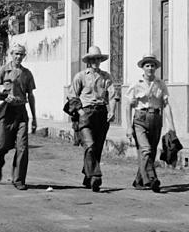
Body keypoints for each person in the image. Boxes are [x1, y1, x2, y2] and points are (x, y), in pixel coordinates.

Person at [67, 46, 117, 192]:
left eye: (98, 58)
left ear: (101, 60)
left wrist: (111, 111)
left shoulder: (106, 77)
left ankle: (87, 176)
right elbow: (72, 96)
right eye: (93, 59)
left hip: (101, 114)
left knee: (98, 147)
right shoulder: (80, 76)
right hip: (85, 114)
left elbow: (112, 95)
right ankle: (95, 176)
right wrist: (81, 111)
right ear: (88, 61)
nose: (96, 61)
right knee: (89, 145)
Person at [0, 44, 36, 191]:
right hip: (6, 111)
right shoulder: (3, 70)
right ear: (11, 54)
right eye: (16, 54)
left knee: (22, 147)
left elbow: (31, 96)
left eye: (21, 54)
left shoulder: (27, 73)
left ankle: (19, 179)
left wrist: (34, 117)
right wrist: (1, 94)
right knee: (1, 145)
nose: (18, 57)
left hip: (21, 112)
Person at [126, 56, 172, 193]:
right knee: (145, 149)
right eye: (147, 65)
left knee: (150, 152)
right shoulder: (136, 83)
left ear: (156, 68)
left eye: (152, 65)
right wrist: (129, 127)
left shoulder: (160, 83)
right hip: (140, 119)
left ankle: (139, 180)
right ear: (143, 68)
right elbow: (128, 105)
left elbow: (166, 104)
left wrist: (172, 126)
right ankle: (152, 179)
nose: (150, 68)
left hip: (156, 119)